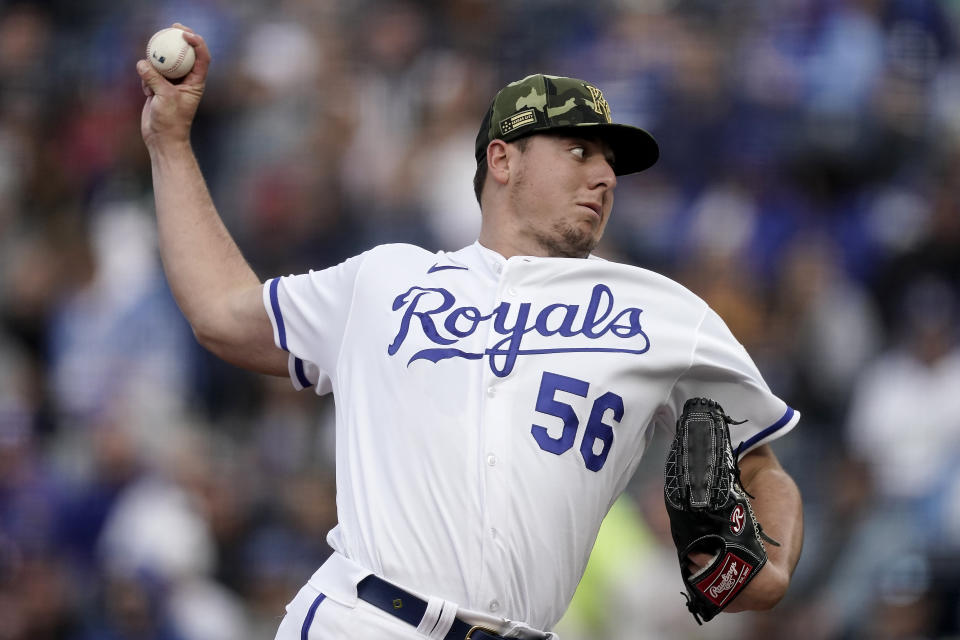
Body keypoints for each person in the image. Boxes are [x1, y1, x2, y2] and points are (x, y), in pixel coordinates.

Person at [136, 24, 803, 640]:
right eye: (578, 150)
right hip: (361, 619)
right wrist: (169, 143)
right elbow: (222, 313)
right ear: (503, 160)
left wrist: (769, 566)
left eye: (610, 162)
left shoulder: (659, 312)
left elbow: (760, 458)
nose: (603, 175)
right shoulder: (387, 280)